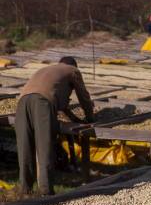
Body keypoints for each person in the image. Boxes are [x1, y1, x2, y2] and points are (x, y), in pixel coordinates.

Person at [16, 56, 94, 195]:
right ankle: (46, 193)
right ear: (74, 65)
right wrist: (90, 117)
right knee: (44, 146)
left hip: (22, 102)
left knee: (25, 147)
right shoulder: (72, 70)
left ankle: (24, 190)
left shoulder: (48, 69)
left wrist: (74, 118)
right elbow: (84, 97)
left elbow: (61, 103)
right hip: (42, 103)